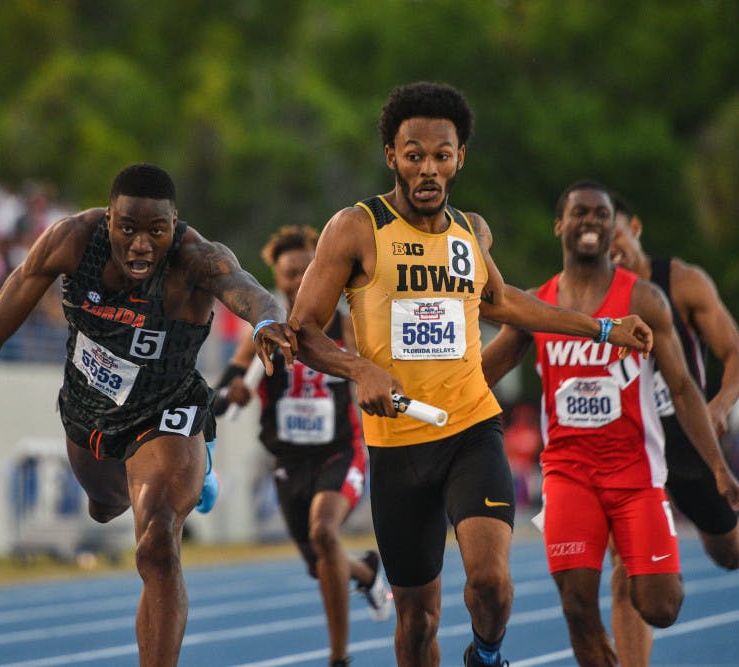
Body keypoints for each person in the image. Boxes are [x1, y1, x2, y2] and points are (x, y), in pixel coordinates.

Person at [286, 82, 654, 667]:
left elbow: (505, 303)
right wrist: (360, 369)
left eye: (441, 154)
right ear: (392, 157)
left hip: (470, 430)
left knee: (491, 586)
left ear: (460, 158)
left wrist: (603, 329)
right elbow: (301, 330)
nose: (428, 168)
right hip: (397, 447)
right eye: (414, 155)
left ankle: (486, 655)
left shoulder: (467, 234)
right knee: (417, 623)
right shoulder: (356, 228)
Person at [0, 163, 297, 666]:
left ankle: (195, 461)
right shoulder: (72, 240)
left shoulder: (197, 259)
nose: (140, 245)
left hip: (167, 411)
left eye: (156, 231)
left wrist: (267, 321)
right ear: (108, 219)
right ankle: (186, 477)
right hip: (88, 416)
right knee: (105, 506)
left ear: (174, 225)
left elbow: (250, 291)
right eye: (127, 229)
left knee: (157, 543)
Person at [480, 180, 739, 666]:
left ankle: (651, 569)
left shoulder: (645, 300)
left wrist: (720, 468)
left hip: (635, 472)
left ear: (615, 226)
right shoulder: (539, 303)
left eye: (601, 214)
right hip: (568, 473)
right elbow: (480, 374)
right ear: (560, 225)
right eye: (580, 213)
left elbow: (683, 388)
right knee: (577, 604)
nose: (591, 222)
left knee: (662, 606)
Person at [214, 225, 392, 667]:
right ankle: (366, 571)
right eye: (287, 274)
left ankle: (338, 657)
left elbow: (374, 371)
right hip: (289, 460)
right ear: (276, 278)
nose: (296, 281)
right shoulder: (265, 328)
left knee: (323, 532)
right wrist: (231, 391)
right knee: (321, 562)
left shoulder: (343, 324)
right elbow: (227, 384)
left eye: (304, 270)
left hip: (339, 451)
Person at [604, 192, 739, 667]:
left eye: (615, 231)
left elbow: (734, 351)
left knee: (729, 553)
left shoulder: (682, 283)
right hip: (632, 453)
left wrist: (720, 404)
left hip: (688, 444)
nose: (609, 246)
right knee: (628, 574)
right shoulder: (589, 296)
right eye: (600, 240)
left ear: (635, 227)